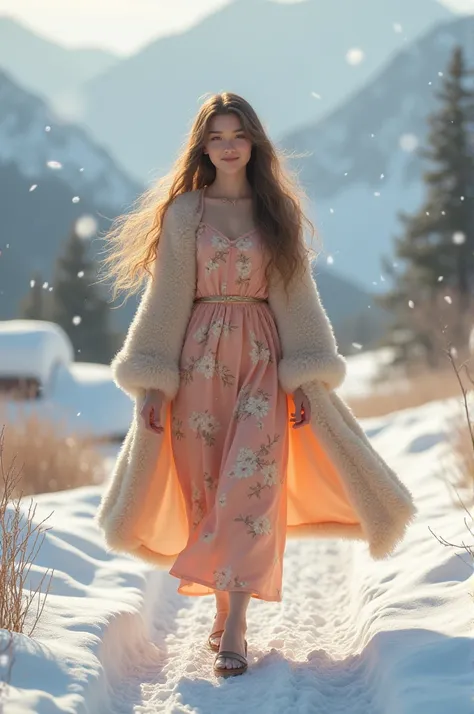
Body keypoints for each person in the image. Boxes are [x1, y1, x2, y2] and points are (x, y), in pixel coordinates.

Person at [95, 92, 417, 679]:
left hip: (264, 363)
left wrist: (306, 376)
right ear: (204, 146)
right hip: (195, 364)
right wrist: (151, 382)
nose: (228, 146)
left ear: (254, 142)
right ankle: (223, 612)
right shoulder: (185, 213)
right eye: (216, 136)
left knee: (252, 491)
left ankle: (236, 625)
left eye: (237, 135)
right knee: (208, 492)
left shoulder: (278, 213)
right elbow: (165, 299)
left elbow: (296, 300)